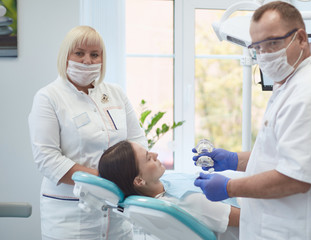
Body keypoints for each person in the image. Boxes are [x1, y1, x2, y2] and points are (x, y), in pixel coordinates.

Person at [193, 2, 311, 239]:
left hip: (302, 231)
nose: (265, 54)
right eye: (257, 47)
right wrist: (233, 159)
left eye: (273, 43)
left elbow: (295, 178)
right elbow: (281, 155)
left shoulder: (310, 93)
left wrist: (229, 187)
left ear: (300, 38)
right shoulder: (291, 83)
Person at [28, 25, 148, 240]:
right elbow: (47, 159)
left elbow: (137, 141)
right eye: (79, 53)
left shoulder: (116, 93)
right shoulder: (48, 97)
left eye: (95, 54)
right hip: (71, 219)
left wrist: (133, 176)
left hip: (118, 218)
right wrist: (107, 179)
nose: (87, 61)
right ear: (66, 55)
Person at [98, 140, 240, 239]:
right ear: (139, 181)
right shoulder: (187, 200)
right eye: (148, 158)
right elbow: (246, 217)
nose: (156, 155)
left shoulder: (165, 182)